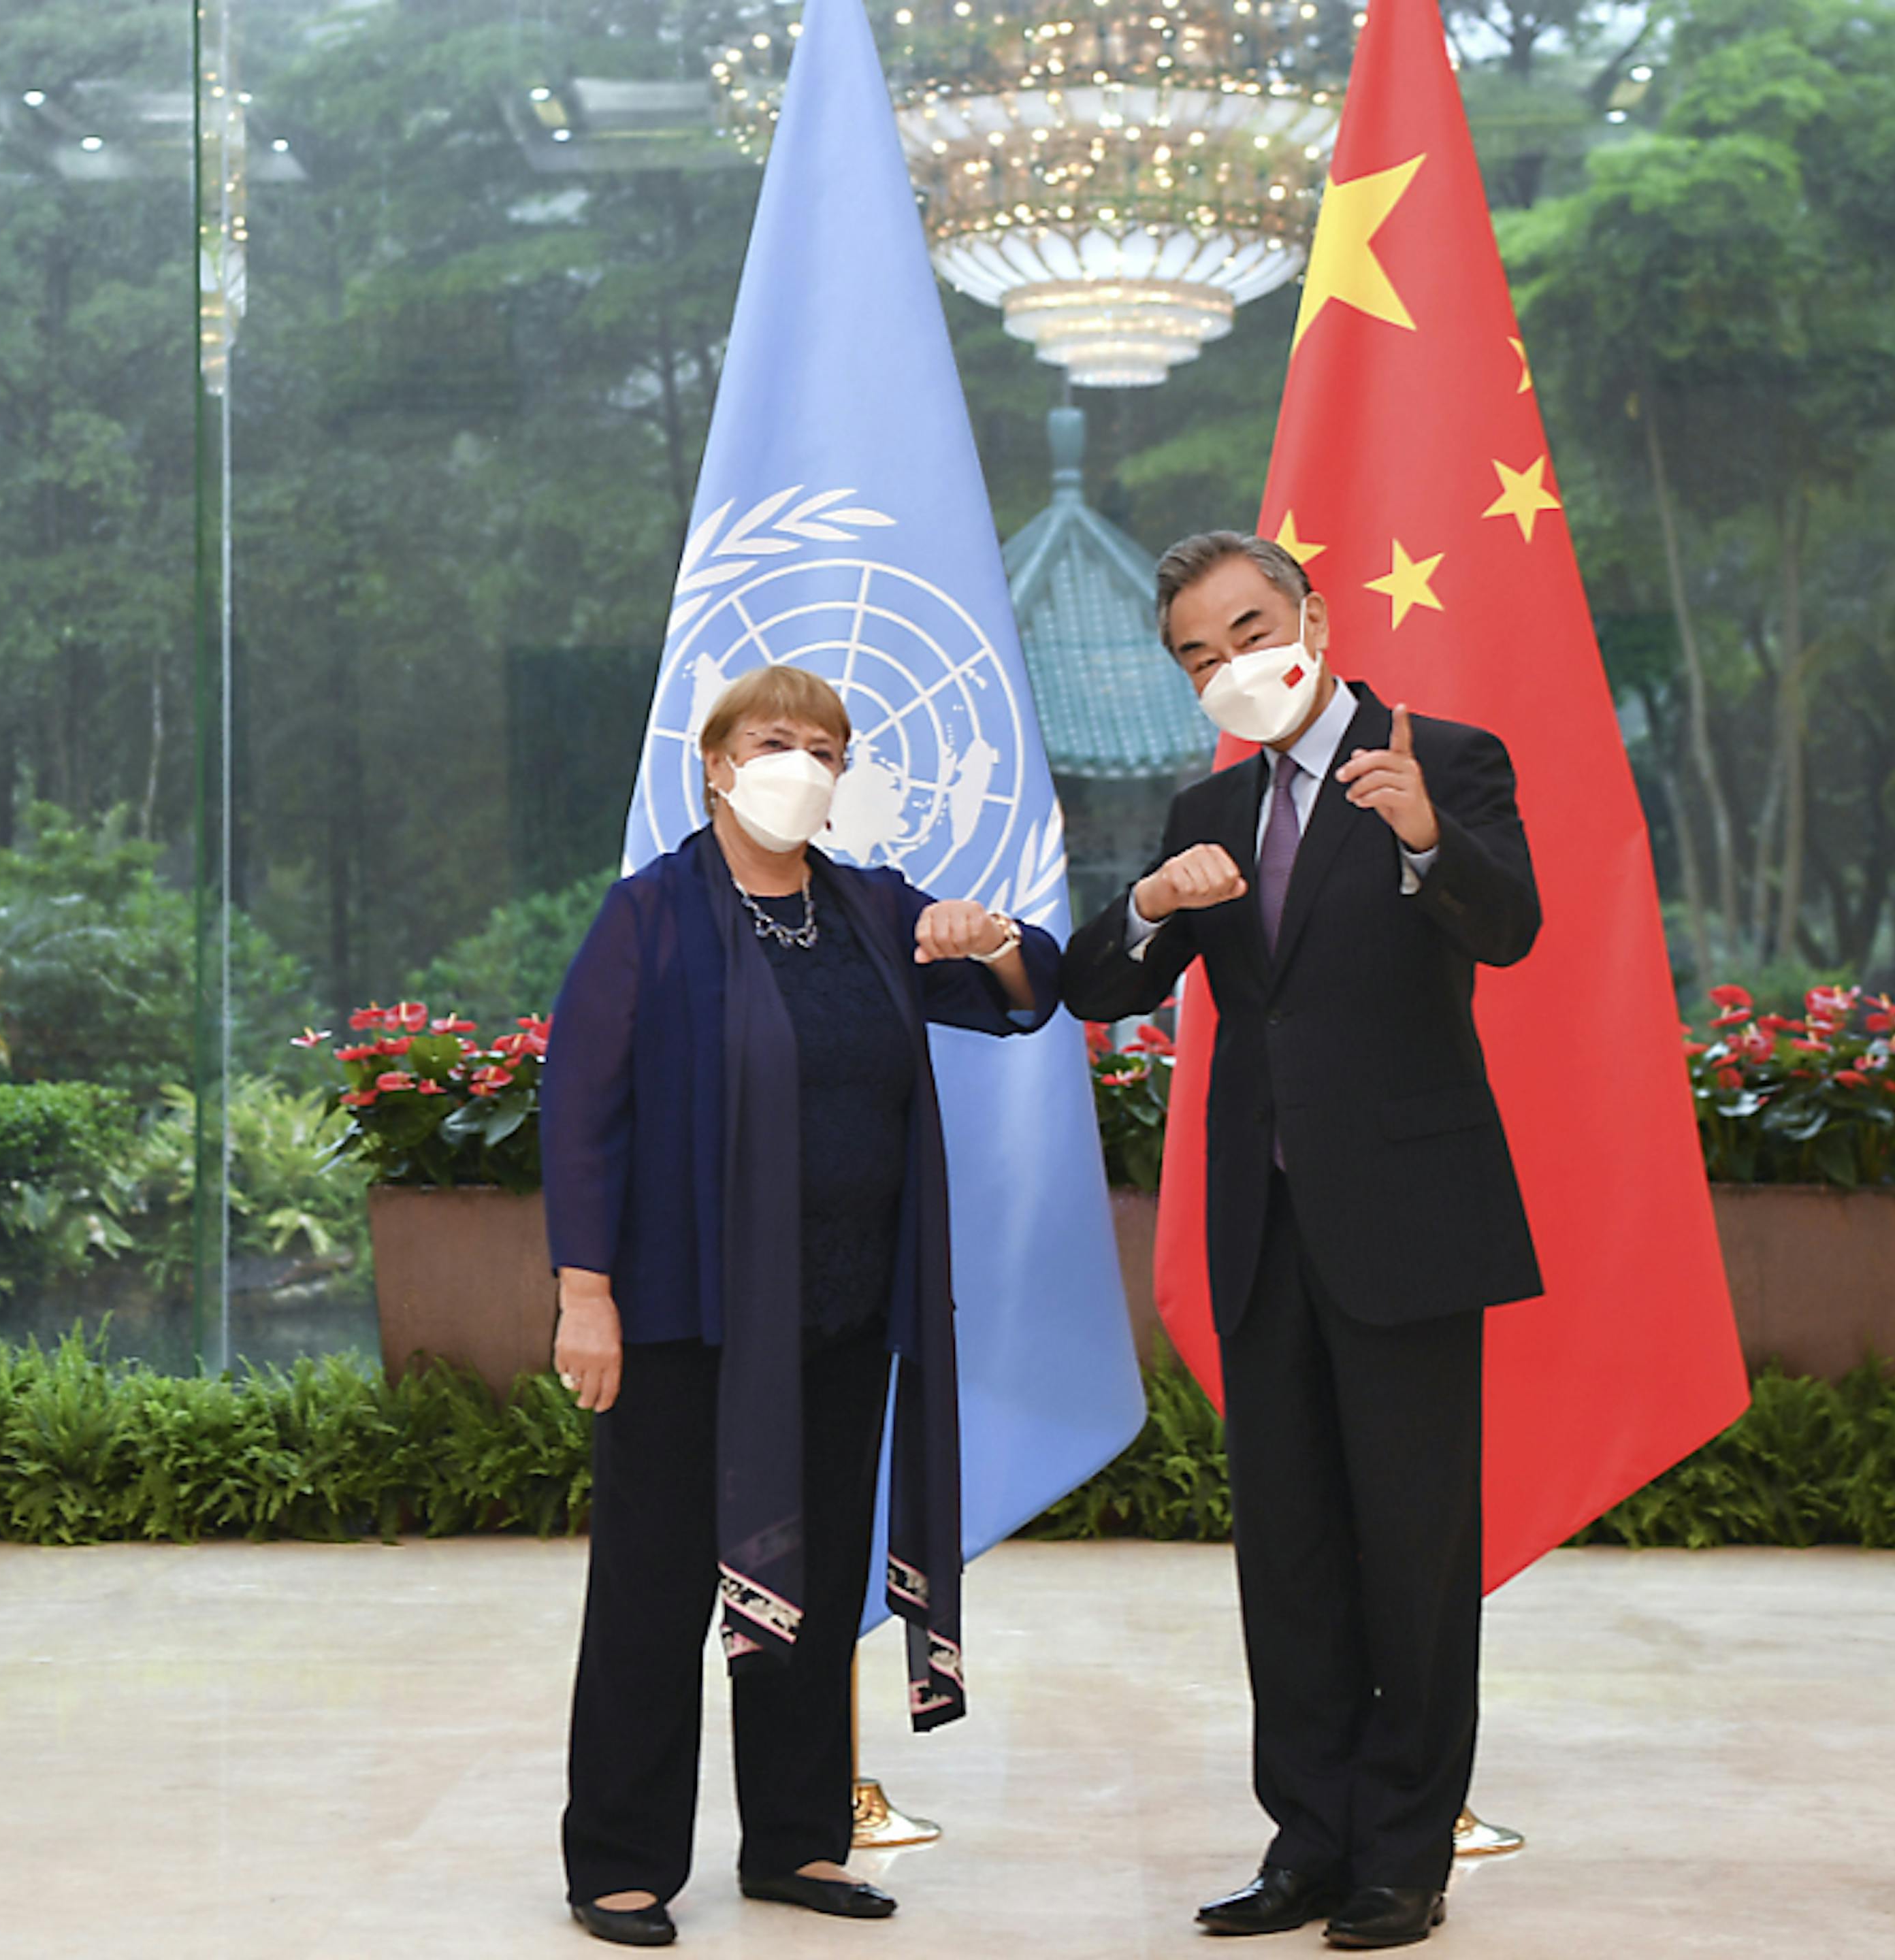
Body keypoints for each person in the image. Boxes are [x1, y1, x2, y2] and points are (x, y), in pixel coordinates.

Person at [1059, 533, 1543, 1951]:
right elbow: (1099, 982)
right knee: (1288, 1557)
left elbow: (1511, 931)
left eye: (1248, 631)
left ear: (1314, 620)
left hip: (1407, 1223)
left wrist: (1423, 839)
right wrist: (1152, 904)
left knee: (1411, 1551)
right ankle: (1308, 1844)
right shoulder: (1203, 802)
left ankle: (1404, 1857)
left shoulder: (1441, 757)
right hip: (1260, 1231)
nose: (1229, 669)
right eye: (1199, 658)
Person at [540, 664, 1059, 1948]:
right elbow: (580, 1110)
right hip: (679, 1316)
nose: (802, 764)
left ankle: (796, 1843)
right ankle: (619, 1859)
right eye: (775, 741)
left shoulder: (875, 910)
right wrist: (584, 1295)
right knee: (658, 1590)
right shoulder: (651, 916)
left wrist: (985, 938)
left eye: (826, 748)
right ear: (716, 765)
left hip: (839, 1314)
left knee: (814, 1590)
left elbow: (1032, 992)